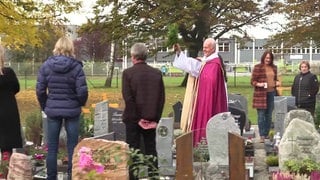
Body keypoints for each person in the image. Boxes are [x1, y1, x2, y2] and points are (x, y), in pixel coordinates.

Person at [36, 36, 88, 180]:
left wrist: (45, 105)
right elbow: (82, 91)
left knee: (52, 147)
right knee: (73, 147)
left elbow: (40, 90)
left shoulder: (46, 66)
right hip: (72, 109)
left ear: (56, 48)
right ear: (71, 49)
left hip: (53, 109)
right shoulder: (77, 67)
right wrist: (79, 103)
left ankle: (51, 177)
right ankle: (72, 176)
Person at [173, 38, 228, 147]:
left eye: (206, 48)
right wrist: (179, 52)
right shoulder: (205, 61)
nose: (204, 50)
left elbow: (211, 81)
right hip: (203, 98)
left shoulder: (215, 63)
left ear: (212, 48)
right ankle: (199, 143)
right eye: (203, 47)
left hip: (211, 100)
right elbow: (190, 65)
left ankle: (208, 143)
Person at [122, 43, 165, 180]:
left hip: (134, 120)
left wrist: (138, 119)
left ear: (133, 57)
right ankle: (153, 177)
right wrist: (155, 120)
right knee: (151, 152)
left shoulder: (128, 73)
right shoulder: (156, 74)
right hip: (150, 119)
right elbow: (161, 99)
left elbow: (128, 99)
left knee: (133, 152)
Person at [251, 50, 280, 143]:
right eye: (267, 57)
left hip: (272, 93)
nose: (268, 59)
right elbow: (252, 81)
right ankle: (262, 135)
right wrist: (259, 84)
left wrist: (277, 82)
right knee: (261, 115)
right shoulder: (258, 67)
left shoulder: (274, 68)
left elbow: (276, 79)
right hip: (260, 94)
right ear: (263, 57)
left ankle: (266, 134)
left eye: (270, 58)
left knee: (269, 115)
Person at [0, 44, 23, 164]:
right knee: (6, 146)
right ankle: (4, 172)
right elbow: (16, 88)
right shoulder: (9, 73)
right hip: (8, 110)